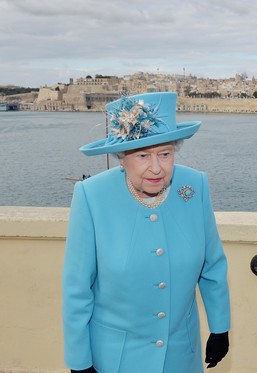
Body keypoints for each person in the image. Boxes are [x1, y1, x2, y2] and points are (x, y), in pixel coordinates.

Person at [62, 92, 231, 373]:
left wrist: (220, 327)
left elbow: (212, 266)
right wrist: (79, 361)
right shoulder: (92, 196)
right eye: (143, 155)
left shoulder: (194, 186)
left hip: (181, 356)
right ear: (122, 158)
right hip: (115, 359)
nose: (156, 168)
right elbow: (77, 288)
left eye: (165, 154)